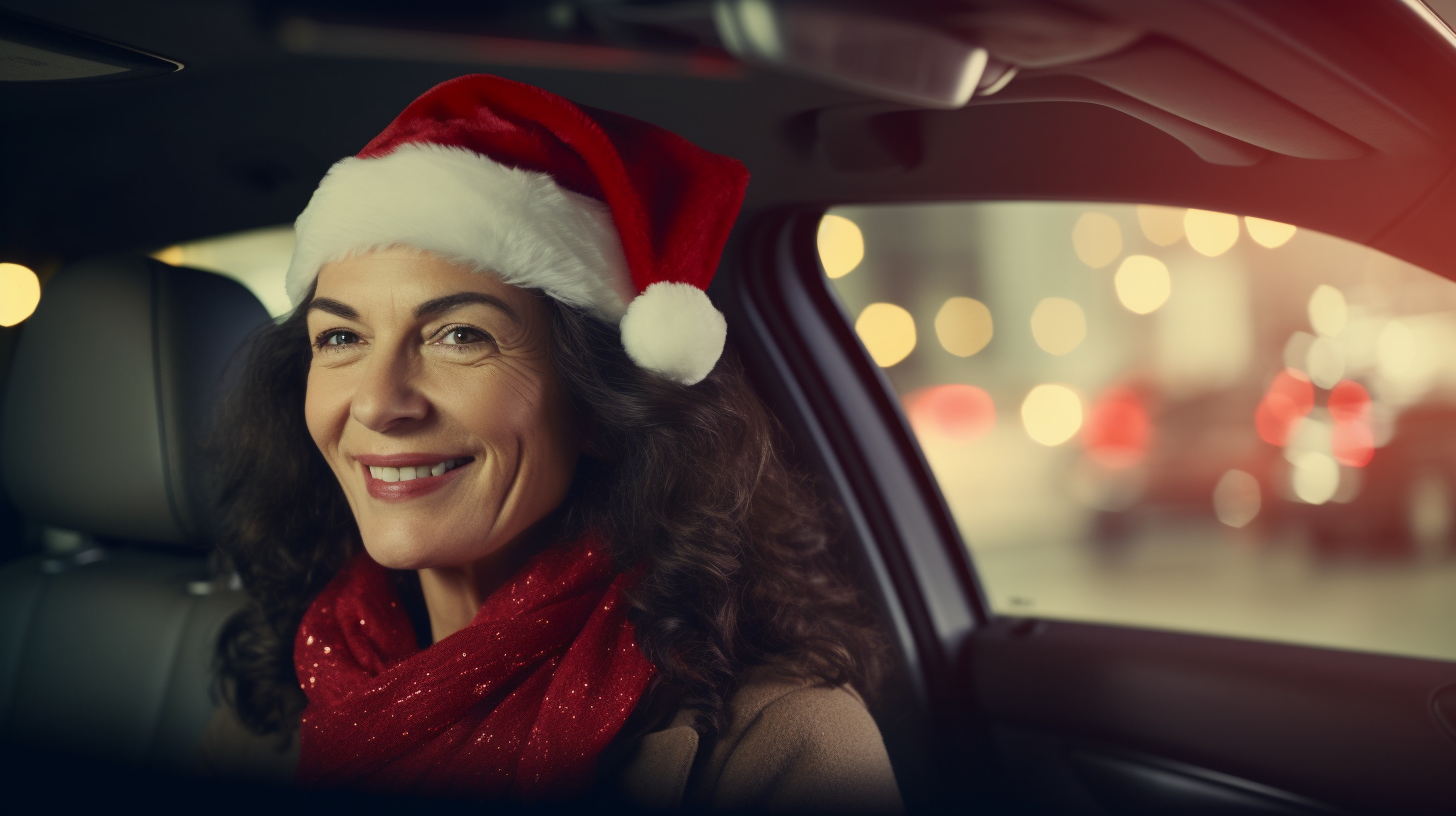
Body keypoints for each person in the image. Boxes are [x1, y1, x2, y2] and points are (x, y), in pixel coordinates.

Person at [199, 73, 902, 811]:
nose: (378, 402)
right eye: (341, 336)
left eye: (459, 336)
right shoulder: (277, 701)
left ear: (602, 407)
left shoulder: (781, 743)